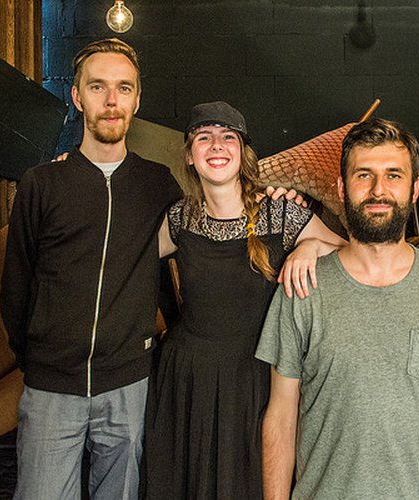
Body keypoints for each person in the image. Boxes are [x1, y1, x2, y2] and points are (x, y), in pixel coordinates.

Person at [256, 118, 419, 500]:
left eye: (394, 175)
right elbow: (280, 415)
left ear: (414, 189)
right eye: (364, 175)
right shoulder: (303, 286)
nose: (379, 189)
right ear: (342, 188)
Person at [0, 38, 182, 499]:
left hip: (128, 384)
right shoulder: (42, 183)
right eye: (98, 87)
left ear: (137, 100)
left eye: (124, 88)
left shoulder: (158, 184)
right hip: (51, 387)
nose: (111, 100)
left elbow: (200, 242)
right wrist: (36, 358)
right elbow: (16, 283)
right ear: (77, 96)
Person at [142, 101, 345, 499]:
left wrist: (311, 246)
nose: (216, 145)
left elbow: (349, 254)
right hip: (188, 378)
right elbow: (130, 261)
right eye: (204, 137)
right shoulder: (180, 217)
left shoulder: (281, 214)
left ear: (243, 152)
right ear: (190, 155)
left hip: (257, 377)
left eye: (228, 137)